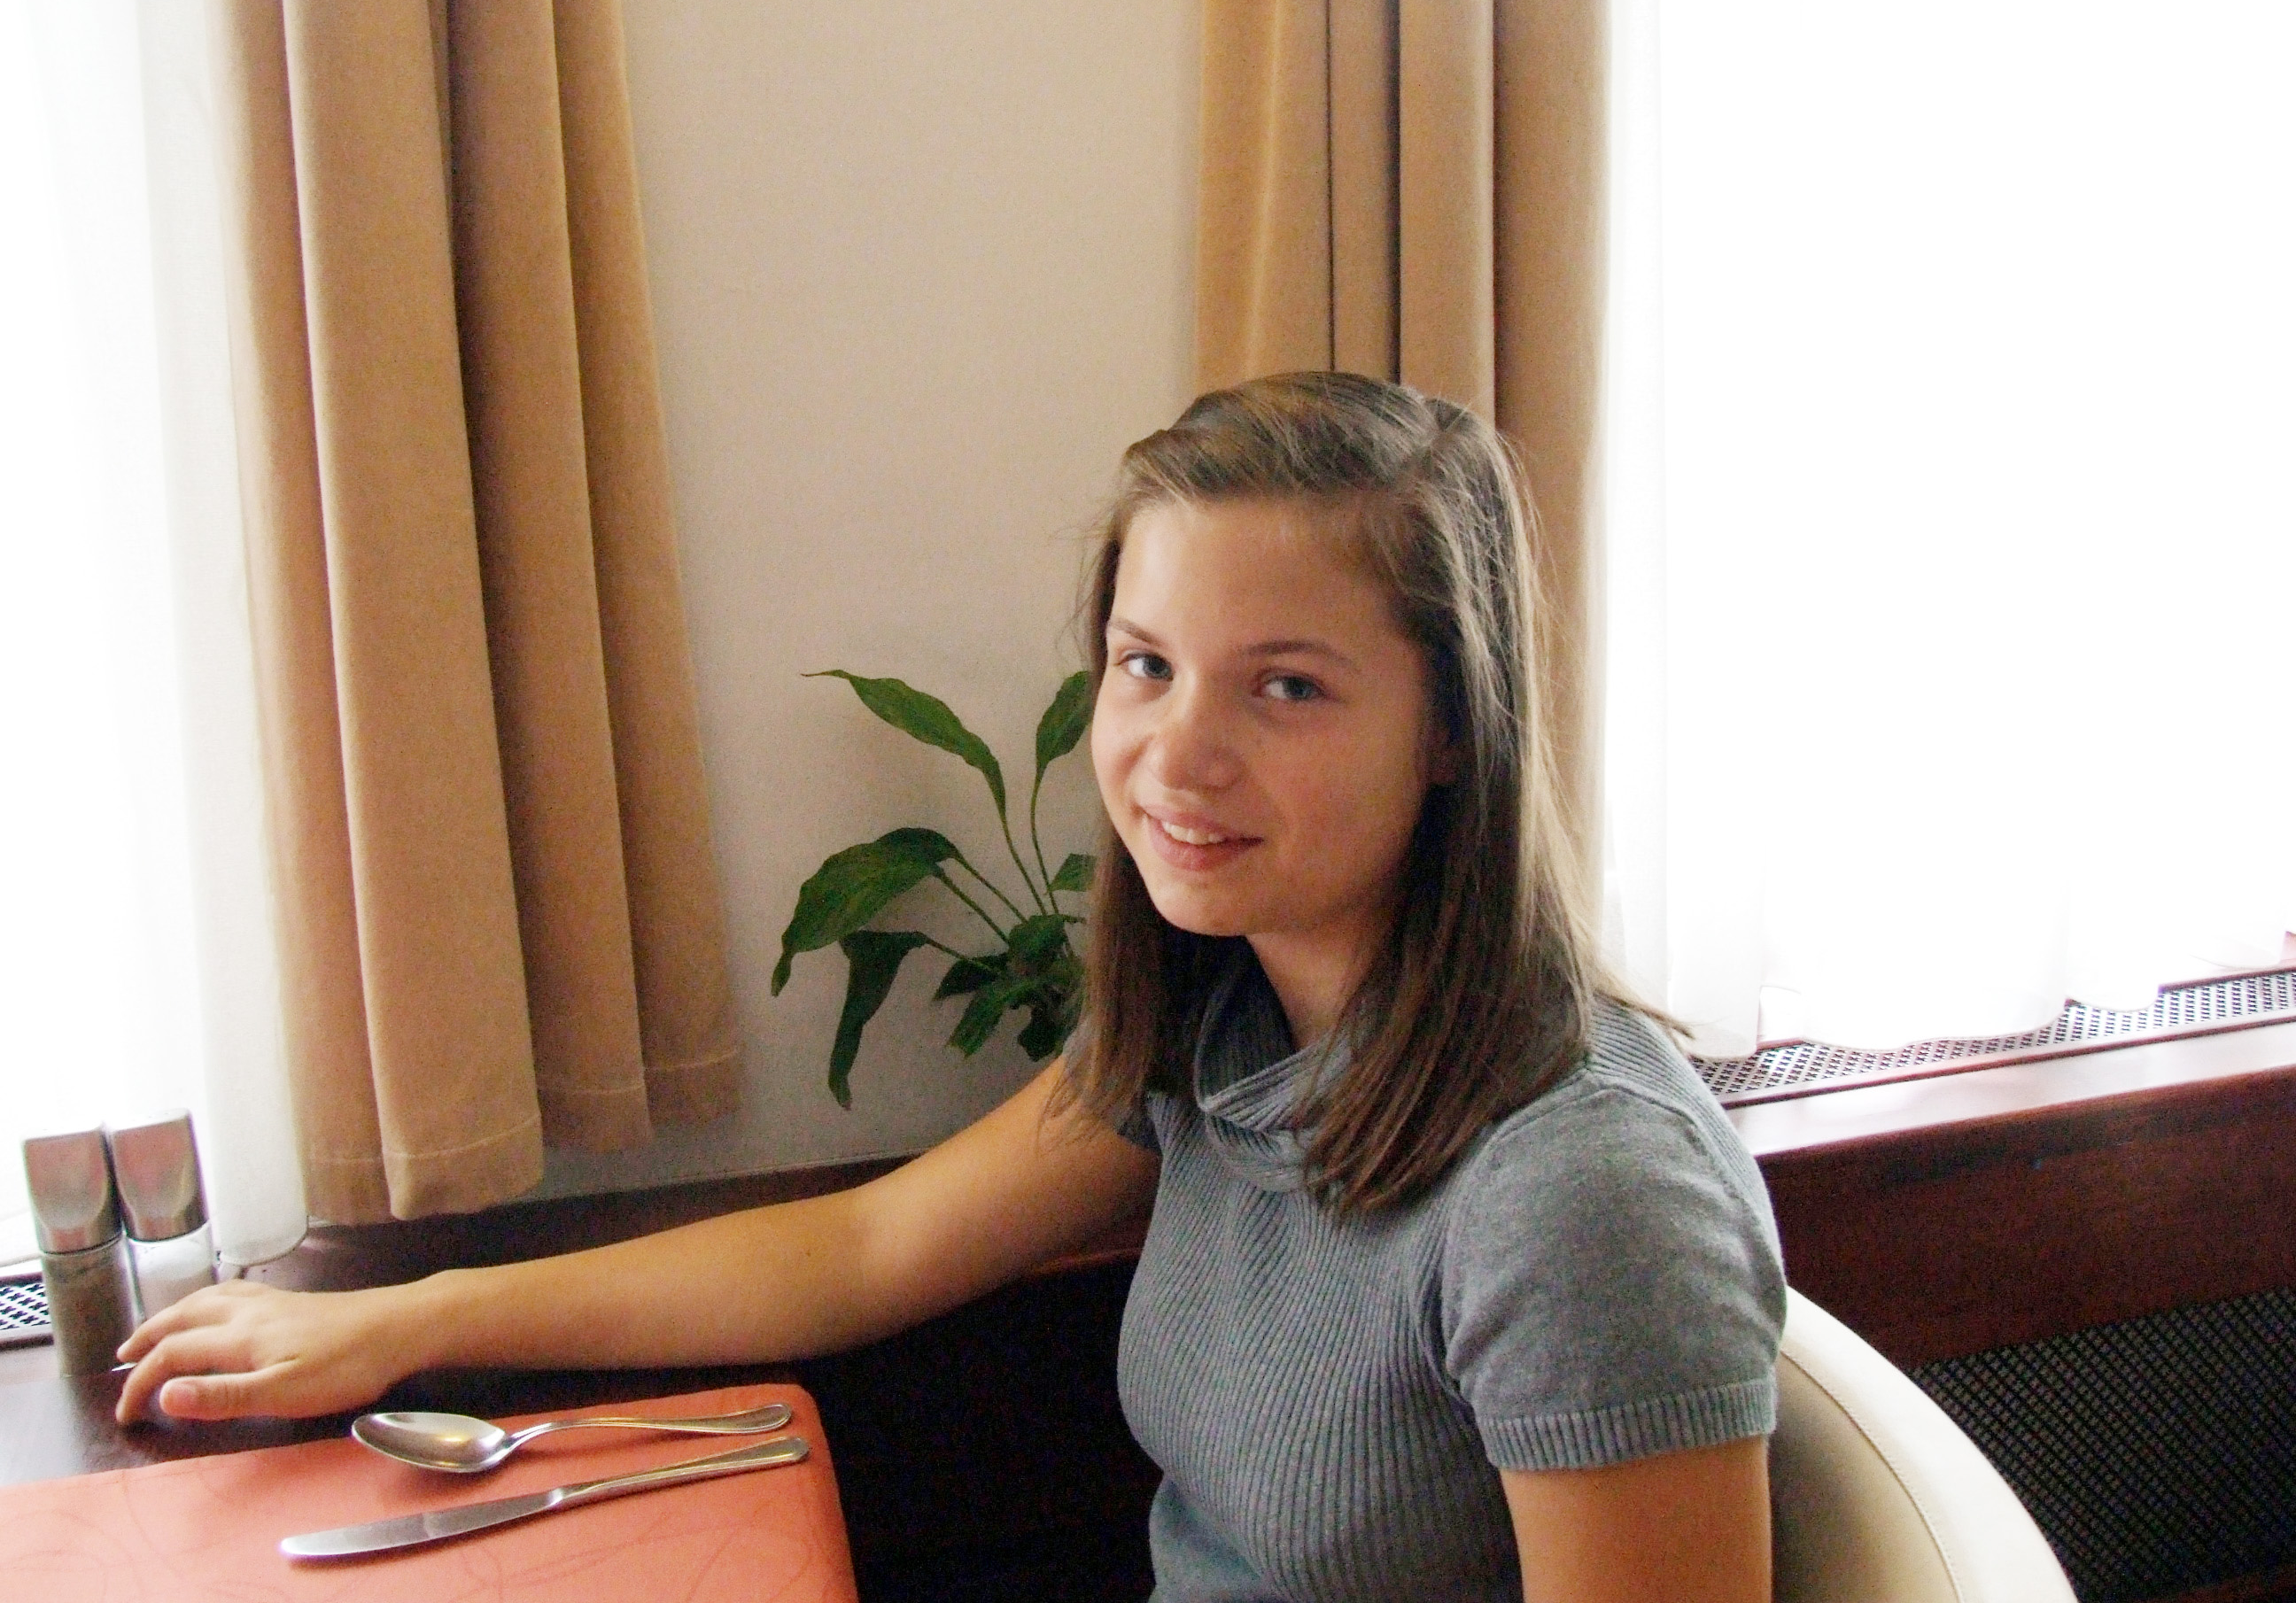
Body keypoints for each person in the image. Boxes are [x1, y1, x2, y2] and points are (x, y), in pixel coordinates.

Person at [116, 374, 1785, 1603]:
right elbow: (863, 1249)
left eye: (1286, 687)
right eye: (1146, 666)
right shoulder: (1224, 1025)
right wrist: (390, 1326)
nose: (1175, 754)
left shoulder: (1581, 1195)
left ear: (1452, 732)